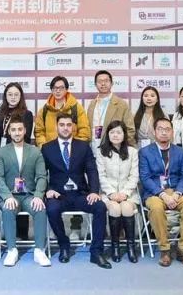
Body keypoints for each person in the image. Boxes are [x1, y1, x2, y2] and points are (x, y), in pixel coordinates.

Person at [42, 113, 111, 269]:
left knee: (100, 207)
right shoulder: (47, 148)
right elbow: (40, 174)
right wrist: (47, 190)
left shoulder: (83, 146)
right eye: (62, 125)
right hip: (59, 195)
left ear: (73, 127)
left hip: (80, 194)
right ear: (56, 126)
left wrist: (94, 191)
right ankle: (64, 245)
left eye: (68, 125)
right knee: (51, 209)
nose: (65, 128)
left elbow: (92, 170)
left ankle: (96, 252)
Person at [139, 116, 183, 267]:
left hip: (177, 191)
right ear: (154, 132)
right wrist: (163, 194)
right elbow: (145, 178)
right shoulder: (145, 152)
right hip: (155, 193)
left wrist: (178, 193)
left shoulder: (179, 151)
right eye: (160, 129)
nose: (164, 132)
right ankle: (164, 249)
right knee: (156, 208)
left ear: (172, 132)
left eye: (167, 129)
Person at [0, 119, 51, 267]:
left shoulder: (35, 151)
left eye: (20, 129)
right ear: (9, 132)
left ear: (25, 131)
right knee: (8, 209)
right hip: (10, 195)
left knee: (40, 208)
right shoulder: (1, 152)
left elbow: (42, 176)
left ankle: (39, 250)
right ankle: (12, 250)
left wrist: (38, 196)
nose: (17, 133)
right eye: (13, 130)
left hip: (29, 195)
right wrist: (7, 197)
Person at [96, 120, 140, 263]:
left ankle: (130, 247)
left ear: (124, 134)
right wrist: (111, 194)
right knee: (114, 208)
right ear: (108, 134)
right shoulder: (101, 152)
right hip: (108, 194)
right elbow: (101, 176)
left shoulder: (132, 152)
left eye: (119, 132)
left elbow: (134, 176)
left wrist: (125, 193)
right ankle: (115, 247)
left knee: (126, 207)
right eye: (112, 132)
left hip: (129, 194)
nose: (115, 135)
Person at [87, 71, 135, 156]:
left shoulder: (121, 104)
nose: (103, 84)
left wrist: (120, 149)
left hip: (114, 153)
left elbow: (130, 130)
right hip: (93, 151)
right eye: (100, 81)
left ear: (112, 83)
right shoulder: (92, 104)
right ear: (95, 84)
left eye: (106, 81)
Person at [35, 76, 90, 147]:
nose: (58, 91)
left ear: (66, 89)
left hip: (72, 151)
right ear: (51, 90)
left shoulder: (77, 108)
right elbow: (39, 132)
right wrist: (45, 148)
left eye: (61, 88)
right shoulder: (44, 111)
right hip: (50, 151)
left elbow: (84, 131)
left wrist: (76, 148)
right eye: (55, 88)